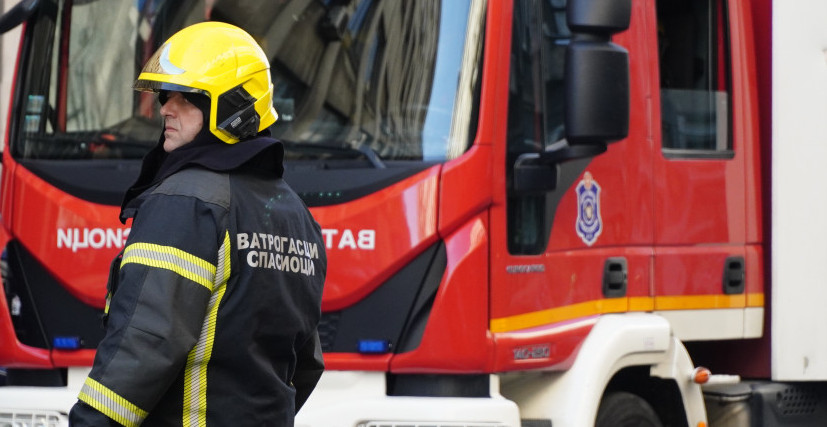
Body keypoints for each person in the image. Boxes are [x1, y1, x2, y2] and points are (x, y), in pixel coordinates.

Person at [69, 22, 326, 426]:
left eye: (187, 98)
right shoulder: (296, 215)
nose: (166, 107)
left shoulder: (186, 200)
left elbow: (147, 342)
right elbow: (305, 363)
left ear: (232, 108)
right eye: (166, 95)